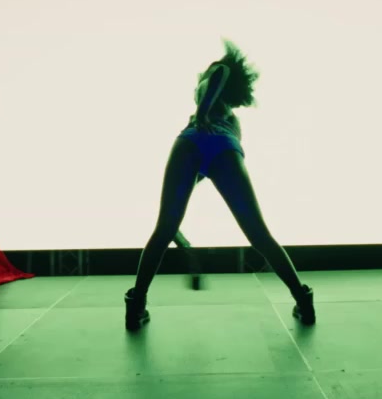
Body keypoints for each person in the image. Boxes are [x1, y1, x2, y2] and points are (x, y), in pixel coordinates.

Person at [125, 40, 315, 331]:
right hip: (224, 147)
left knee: (163, 228)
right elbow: (217, 161)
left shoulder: (214, 74)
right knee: (259, 234)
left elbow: (221, 72)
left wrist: (201, 113)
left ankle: (136, 306)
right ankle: (303, 299)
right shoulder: (233, 122)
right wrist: (186, 245)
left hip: (190, 142)